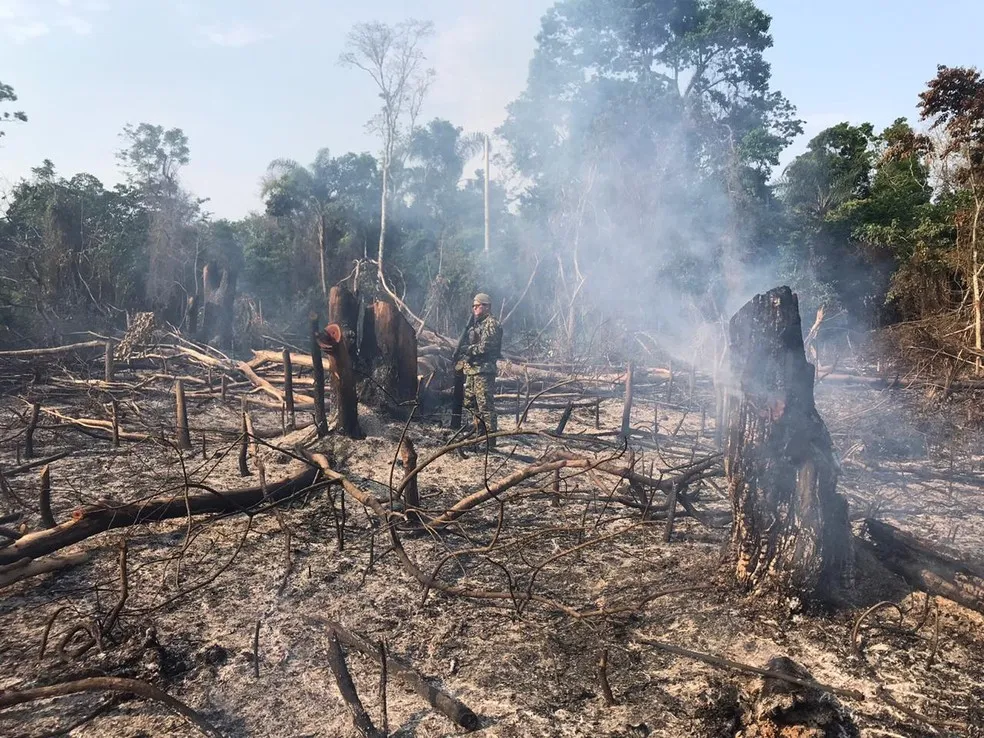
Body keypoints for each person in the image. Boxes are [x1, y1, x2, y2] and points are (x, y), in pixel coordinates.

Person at [459, 293, 502, 446]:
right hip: (473, 370)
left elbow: (486, 347)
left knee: (485, 406)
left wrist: (469, 350)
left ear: (487, 307)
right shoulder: (477, 324)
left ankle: (489, 441)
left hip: (484, 370)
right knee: (471, 404)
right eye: (474, 306)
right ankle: (479, 434)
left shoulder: (492, 324)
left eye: (478, 306)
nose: (475, 308)